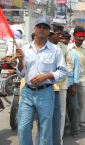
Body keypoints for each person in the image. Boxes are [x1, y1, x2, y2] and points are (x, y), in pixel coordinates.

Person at [15, 16, 67, 145]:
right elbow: (21, 73)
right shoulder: (26, 49)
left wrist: (46, 76)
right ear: (35, 29)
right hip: (27, 92)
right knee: (23, 127)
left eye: (45, 28)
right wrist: (20, 61)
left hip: (45, 93)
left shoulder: (55, 50)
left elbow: (62, 72)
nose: (42, 30)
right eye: (39, 27)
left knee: (45, 128)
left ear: (49, 31)